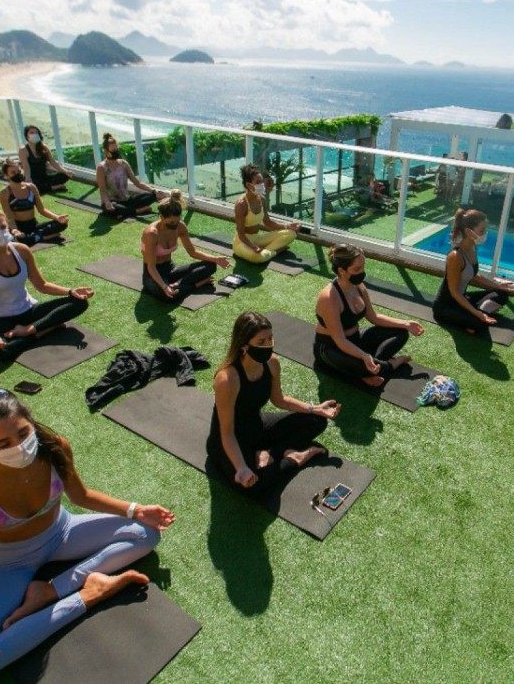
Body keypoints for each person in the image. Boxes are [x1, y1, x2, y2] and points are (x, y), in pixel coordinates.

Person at [0, 389, 173, 682]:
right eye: (3, 444)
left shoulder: (55, 448)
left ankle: (52, 591)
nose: (19, 447)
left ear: (31, 423)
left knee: (147, 534)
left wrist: (135, 510)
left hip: (63, 532)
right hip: (10, 563)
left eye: (23, 433)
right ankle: (87, 595)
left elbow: (81, 495)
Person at [209, 312, 339, 495]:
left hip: (257, 426)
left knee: (317, 420)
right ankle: (295, 458)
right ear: (244, 345)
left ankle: (271, 452)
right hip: (230, 441)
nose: (268, 345)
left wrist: (315, 409)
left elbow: (279, 399)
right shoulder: (227, 379)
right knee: (253, 484)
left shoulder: (272, 363)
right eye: (261, 341)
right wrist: (241, 468)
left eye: (270, 339)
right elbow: (227, 432)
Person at [0, 201, 94, 361]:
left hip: (30, 311)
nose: (0, 232)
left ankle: (29, 331)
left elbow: (42, 285)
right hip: (3, 320)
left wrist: (70, 291)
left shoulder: (21, 250)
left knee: (80, 302)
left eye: (3, 227)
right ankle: (44, 329)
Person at [313, 244, 423, 388]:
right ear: (342, 271)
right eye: (357, 269)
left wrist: (405, 324)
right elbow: (340, 340)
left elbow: (374, 317)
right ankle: (392, 363)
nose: (362, 272)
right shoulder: (329, 297)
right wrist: (364, 356)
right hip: (332, 347)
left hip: (356, 339)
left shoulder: (358, 286)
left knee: (401, 333)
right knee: (366, 365)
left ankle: (370, 369)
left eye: (363, 267)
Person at [432, 208, 514, 334]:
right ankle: (475, 317)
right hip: (446, 306)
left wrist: (498, 286)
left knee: (502, 294)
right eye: (482, 231)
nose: (485, 234)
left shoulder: (473, 247)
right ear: (469, 232)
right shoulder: (455, 256)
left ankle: (474, 315)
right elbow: (454, 293)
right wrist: (478, 314)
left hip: (463, 299)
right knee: (480, 325)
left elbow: (474, 276)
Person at [141, 190, 230, 301]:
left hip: (170, 269)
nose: (175, 224)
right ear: (162, 217)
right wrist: (164, 287)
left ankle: (177, 284)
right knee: (170, 297)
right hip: (152, 274)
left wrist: (216, 259)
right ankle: (198, 284)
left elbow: (193, 252)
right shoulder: (151, 233)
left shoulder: (180, 227)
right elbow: (151, 267)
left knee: (211, 265)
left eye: (177, 221)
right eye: (171, 222)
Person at [232, 164, 298, 263]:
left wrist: (287, 226)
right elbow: (241, 234)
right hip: (242, 243)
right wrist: (253, 247)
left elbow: (268, 223)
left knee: (291, 234)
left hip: (257, 238)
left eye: (262, 181)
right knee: (257, 257)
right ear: (249, 185)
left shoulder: (261, 199)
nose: (262, 184)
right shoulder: (241, 204)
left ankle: (265, 251)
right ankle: (274, 251)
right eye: (258, 182)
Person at [0, 159, 68, 247]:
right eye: (13, 172)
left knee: (62, 224)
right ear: (6, 176)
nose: (17, 174)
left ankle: (34, 237)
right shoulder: (5, 193)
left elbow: (42, 210)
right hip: (18, 227)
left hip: (34, 225)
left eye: (19, 171)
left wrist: (57, 217)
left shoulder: (31, 187)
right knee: (19, 240)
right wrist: (15, 230)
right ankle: (43, 237)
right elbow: (9, 217)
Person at [96, 133, 160, 219]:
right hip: (112, 202)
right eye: (113, 150)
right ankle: (138, 211)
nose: (115, 151)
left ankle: (126, 212)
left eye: (116, 149)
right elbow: (102, 189)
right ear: (106, 151)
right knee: (112, 208)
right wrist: (107, 202)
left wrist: (153, 190)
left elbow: (137, 183)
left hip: (127, 200)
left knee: (152, 196)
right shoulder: (101, 167)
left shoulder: (124, 164)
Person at [18, 125, 70, 195]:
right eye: (32, 133)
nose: (34, 134)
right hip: (33, 177)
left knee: (65, 175)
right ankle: (54, 187)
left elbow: (53, 162)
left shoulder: (44, 147)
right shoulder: (23, 150)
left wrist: (66, 171)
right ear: (27, 136)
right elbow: (26, 167)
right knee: (32, 187)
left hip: (45, 176)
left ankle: (47, 187)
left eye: (36, 133)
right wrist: (28, 178)